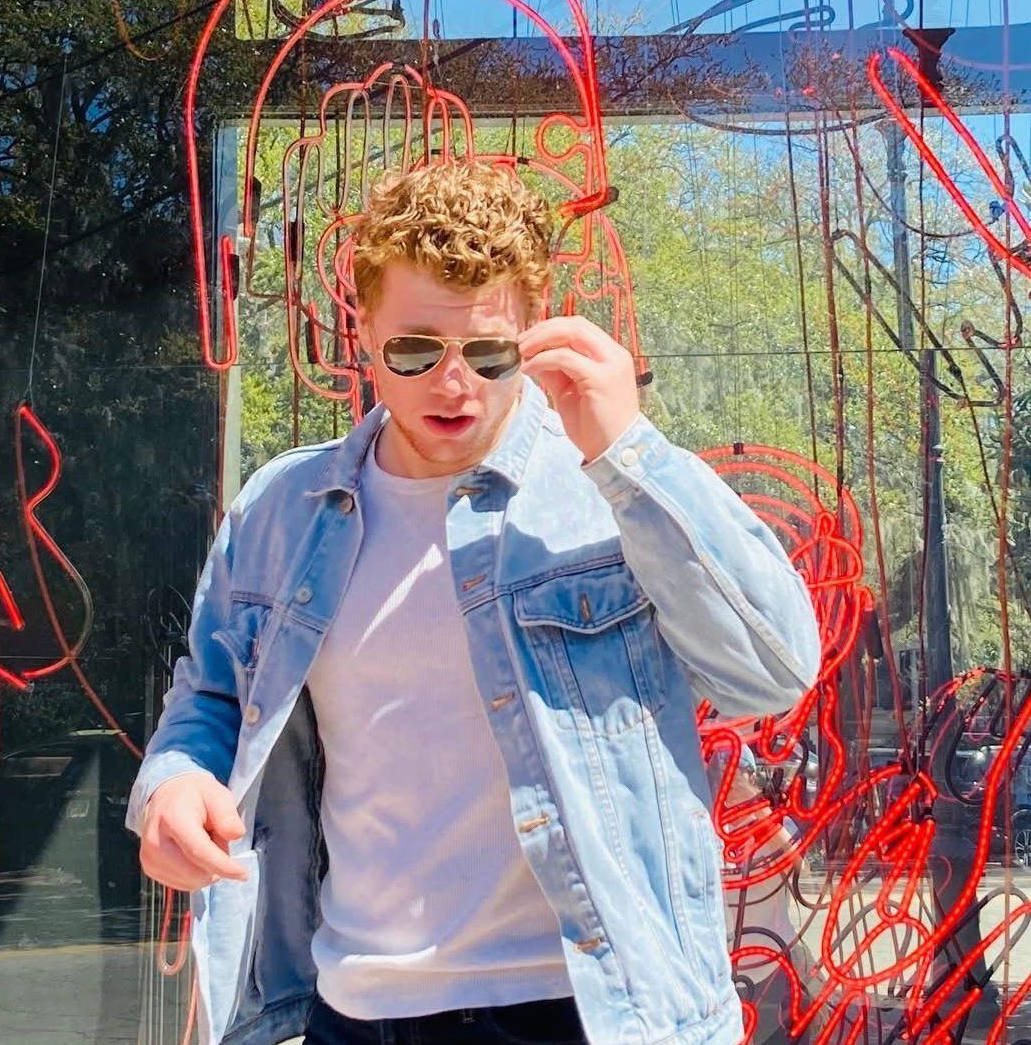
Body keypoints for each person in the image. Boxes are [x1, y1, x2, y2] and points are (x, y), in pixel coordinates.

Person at [126, 158, 821, 1045]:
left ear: (533, 331)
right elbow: (213, 695)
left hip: (587, 1010)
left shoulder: (606, 488)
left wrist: (631, 452)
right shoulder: (282, 508)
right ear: (362, 329)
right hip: (354, 1010)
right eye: (415, 350)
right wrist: (176, 781)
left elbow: (774, 672)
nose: (452, 384)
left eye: (487, 354)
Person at [707, 744, 828, 1045]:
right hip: (726, 973)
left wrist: (755, 809)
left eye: (735, 776)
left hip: (779, 964)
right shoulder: (704, 831)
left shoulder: (773, 824)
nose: (727, 786)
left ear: (753, 778)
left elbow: (802, 870)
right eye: (719, 778)